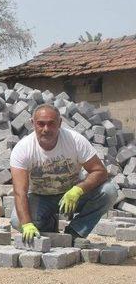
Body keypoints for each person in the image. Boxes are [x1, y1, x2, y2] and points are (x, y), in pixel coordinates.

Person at [10, 103, 117, 242]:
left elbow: (100, 171)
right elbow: (20, 192)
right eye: (41, 124)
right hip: (40, 197)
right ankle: (50, 226)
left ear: (60, 123)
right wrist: (27, 224)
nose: (46, 129)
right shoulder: (23, 149)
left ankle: (75, 232)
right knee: (18, 221)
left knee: (109, 192)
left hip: (72, 196)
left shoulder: (75, 140)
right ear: (32, 124)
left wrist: (78, 190)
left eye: (51, 124)